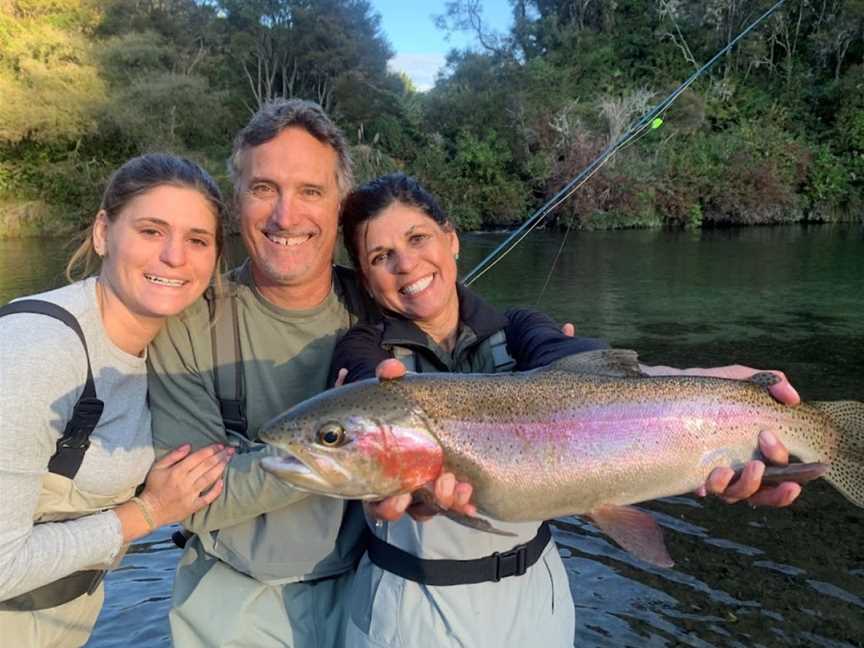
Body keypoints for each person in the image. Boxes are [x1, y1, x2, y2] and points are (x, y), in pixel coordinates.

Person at [330, 172, 804, 648]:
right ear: (366, 281)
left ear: (451, 240)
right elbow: (366, 394)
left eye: (418, 238)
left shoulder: (519, 327)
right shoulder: (364, 350)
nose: (407, 264)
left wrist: (704, 382)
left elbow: (592, 376)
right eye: (380, 256)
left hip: (535, 599)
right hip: (409, 609)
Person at [0, 153, 232, 647]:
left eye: (197, 240)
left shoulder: (163, 350)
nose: (175, 256)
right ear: (104, 232)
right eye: (151, 231)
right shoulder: (38, 350)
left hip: (66, 618)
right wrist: (148, 513)